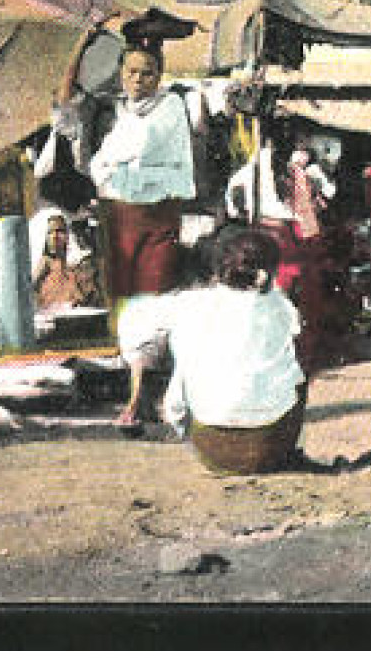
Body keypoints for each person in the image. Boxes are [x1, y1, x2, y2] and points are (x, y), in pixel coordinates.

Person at [54, 26, 196, 425]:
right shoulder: (111, 110)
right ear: (120, 75)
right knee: (124, 302)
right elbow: (66, 105)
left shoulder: (170, 109)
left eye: (147, 73)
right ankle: (138, 395)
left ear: (159, 77)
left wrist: (106, 161)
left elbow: (141, 144)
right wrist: (81, 42)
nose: (138, 80)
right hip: (117, 216)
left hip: (157, 216)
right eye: (131, 72)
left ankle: (144, 398)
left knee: (153, 298)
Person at [162, 227, 307, 474]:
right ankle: (290, 450)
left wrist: (179, 425)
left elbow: (180, 378)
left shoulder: (189, 304)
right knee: (297, 374)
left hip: (209, 447)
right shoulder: (280, 306)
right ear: (268, 272)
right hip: (268, 447)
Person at [31, 212, 102, 314]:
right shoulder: (44, 265)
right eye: (50, 232)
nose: (55, 236)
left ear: (68, 236)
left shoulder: (80, 266)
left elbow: (89, 299)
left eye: (60, 231)